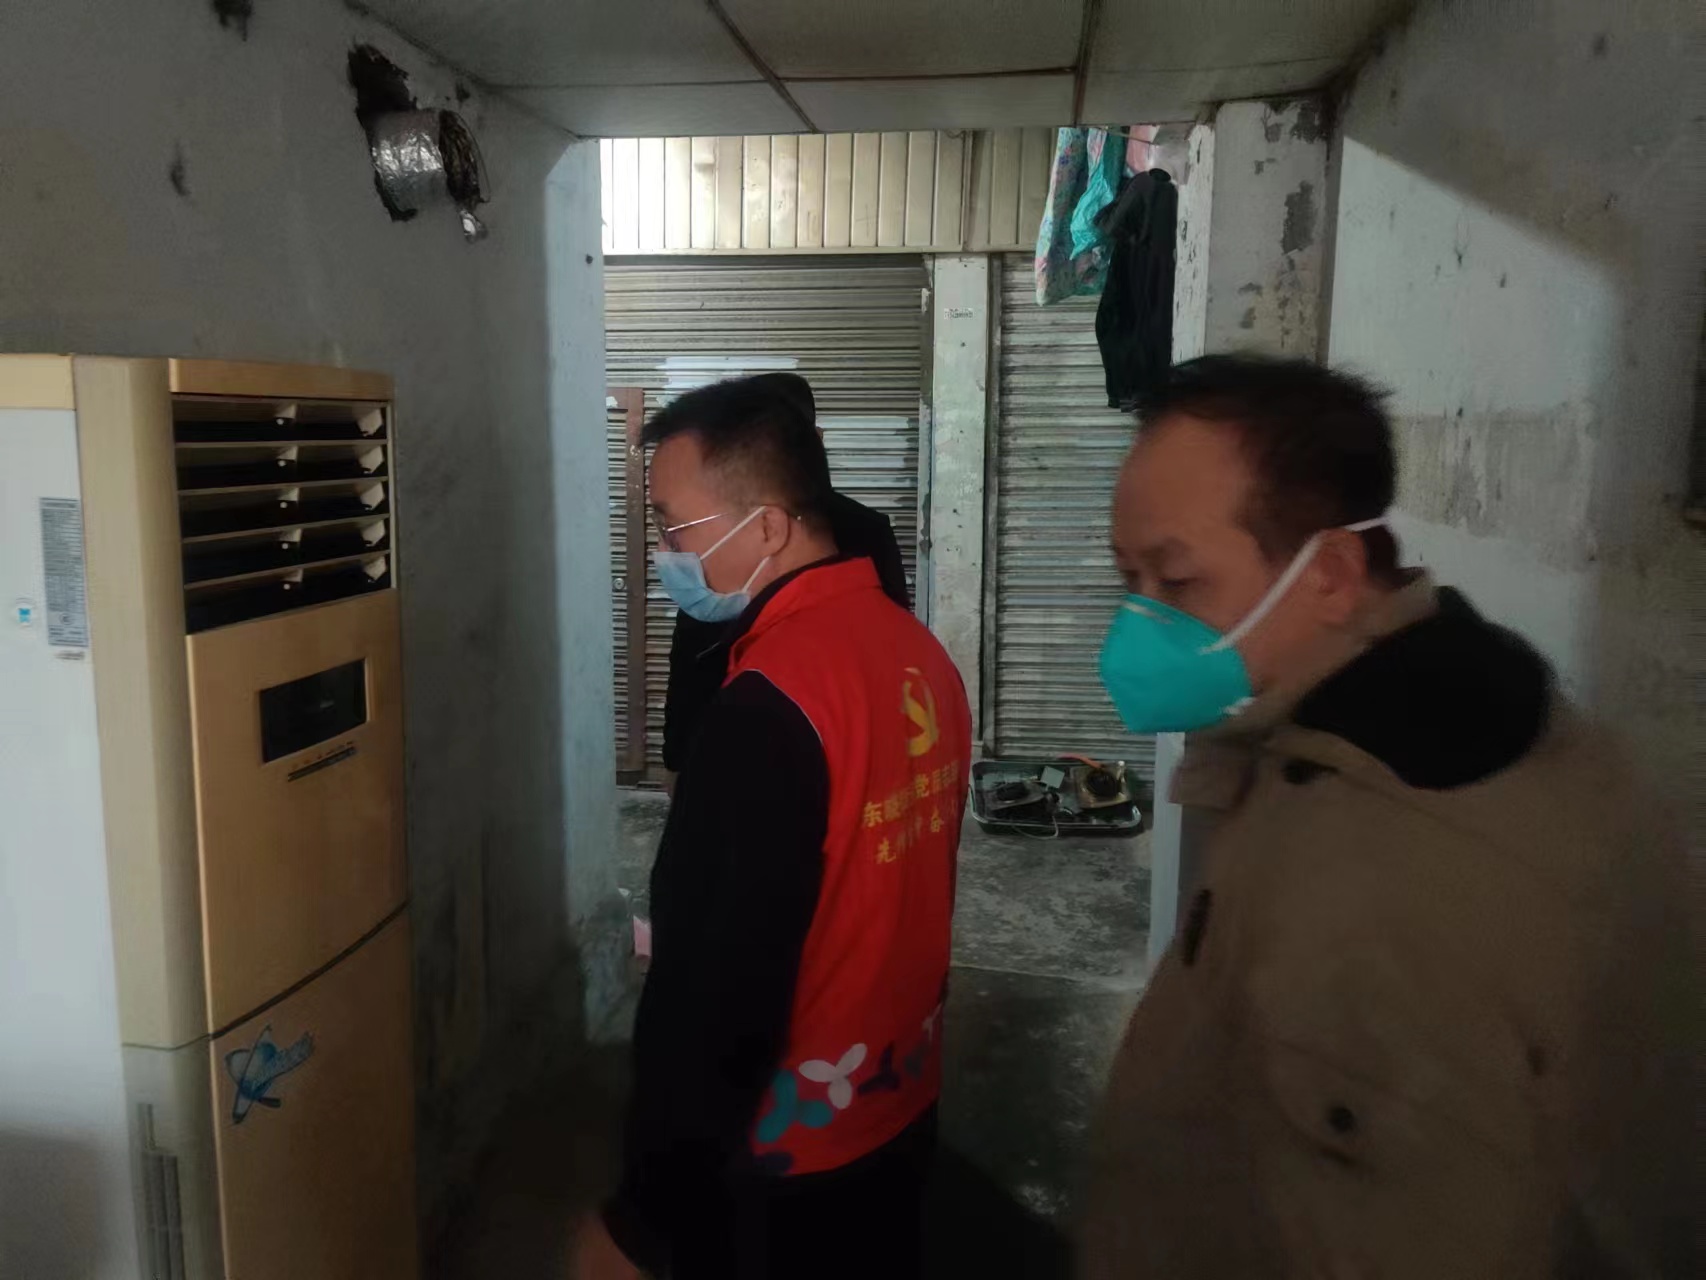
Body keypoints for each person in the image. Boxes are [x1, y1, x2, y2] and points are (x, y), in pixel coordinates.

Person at [1082, 355, 1694, 1279]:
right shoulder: (1370, 731)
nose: (1137, 623)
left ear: (1330, 573)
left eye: (1177, 580)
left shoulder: (1394, 879)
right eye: (1128, 576)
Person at [575, 375, 972, 1279]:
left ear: (766, 529)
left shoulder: (770, 705)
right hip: (901, 1103)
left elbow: (713, 989)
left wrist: (646, 1218)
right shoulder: (918, 655)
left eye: (674, 527)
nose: (666, 554)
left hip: (788, 1161)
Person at [662, 373, 911, 790]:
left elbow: (887, 640)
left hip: (828, 739)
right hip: (721, 729)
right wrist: (677, 755)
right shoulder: (715, 530)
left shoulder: (865, 531)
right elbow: (692, 651)